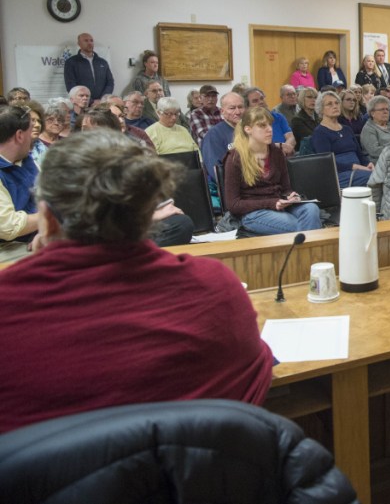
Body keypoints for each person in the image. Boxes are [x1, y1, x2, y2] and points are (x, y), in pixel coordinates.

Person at [0, 129, 273, 433]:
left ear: (48, 218)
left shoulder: (9, 306)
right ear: (150, 213)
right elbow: (254, 386)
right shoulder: (216, 287)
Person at [78, 105, 192, 245]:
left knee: (181, 224)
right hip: (100, 228)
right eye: (84, 129)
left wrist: (162, 208)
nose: (87, 134)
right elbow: (99, 215)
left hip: (133, 222)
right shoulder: (79, 163)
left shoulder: (126, 159)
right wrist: (154, 216)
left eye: (95, 129)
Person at [223, 108, 322, 236]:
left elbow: (286, 188)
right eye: (262, 126)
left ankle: (304, 253)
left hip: (279, 205)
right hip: (254, 212)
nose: (269, 129)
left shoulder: (276, 152)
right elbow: (233, 204)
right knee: (299, 224)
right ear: (248, 129)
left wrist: (291, 196)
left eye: (270, 124)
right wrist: (272, 203)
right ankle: (311, 255)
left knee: (311, 209)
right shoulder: (235, 158)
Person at [311, 91, 374, 188]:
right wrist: (354, 167)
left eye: (337, 103)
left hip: (358, 170)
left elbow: (359, 154)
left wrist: (368, 164)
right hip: (339, 173)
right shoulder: (320, 132)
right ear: (321, 109)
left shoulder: (347, 129)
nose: (335, 106)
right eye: (329, 104)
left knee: (385, 172)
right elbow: (327, 163)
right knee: (376, 177)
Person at [0, 105, 40, 246]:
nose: (34, 137)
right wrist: (51, 216)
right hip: (8, 247)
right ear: (20, 136)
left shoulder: (26, 159)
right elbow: (8, 226)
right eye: (30, 131)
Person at [201, 91, 245, 182]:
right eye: (232, 108)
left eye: (240, 107)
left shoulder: (250, 130)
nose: (237, 112)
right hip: (232, 186)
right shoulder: (213, 135)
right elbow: (216, 172)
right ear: (222, 111)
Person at [245, 88, 296, 156]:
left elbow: (291, 137)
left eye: (262, 98)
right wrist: (278, 147)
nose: (261, 102)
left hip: (284, 156)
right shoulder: (247, 123)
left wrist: (286, 148)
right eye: (255, 101)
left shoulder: (278, 117)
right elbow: (252, 146)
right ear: (247, 107)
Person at [63, 32, 114, 98]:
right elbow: (71, 85)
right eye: (86, 41)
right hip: (82, 103)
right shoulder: (71, 62)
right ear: (79, 44)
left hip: (101, 103)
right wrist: (88, 101)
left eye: (91, 40)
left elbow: (110, 82)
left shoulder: (102, 62)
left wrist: (102, 99)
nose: (89, 43)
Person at [361, 95, 390, 164]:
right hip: (382, 163)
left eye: (387, 109)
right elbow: (375, 151)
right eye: (382, 109)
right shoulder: (368, 129)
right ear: (372, 113)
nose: (385, 112)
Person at [290, 86, 320, 151]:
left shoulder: (320, 117)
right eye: (309, 97)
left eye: (315, 97)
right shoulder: (297, 120)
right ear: (302, 99)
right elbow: (313, 138)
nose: (313, 100)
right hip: (306, 154)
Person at [25, 101, 48, 169]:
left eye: (39, 121)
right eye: (32, 120)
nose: (37, 125)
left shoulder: (44, 150)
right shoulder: (13, 151)